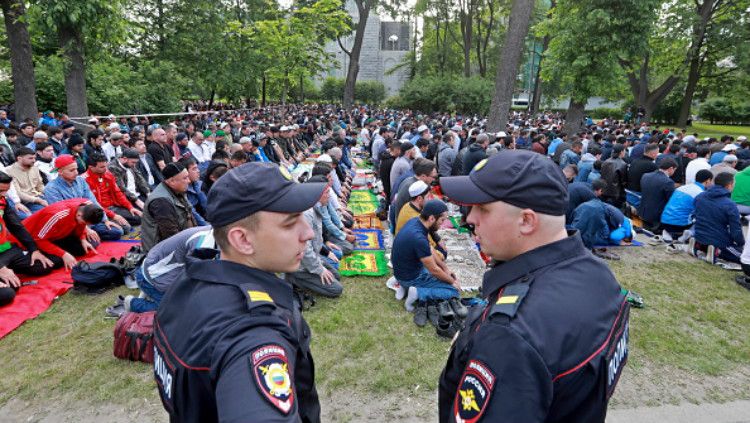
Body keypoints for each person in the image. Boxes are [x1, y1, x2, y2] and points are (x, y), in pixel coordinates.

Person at [439, 150, 628, 423]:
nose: (470, 218)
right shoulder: (598, 275)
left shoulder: (511, 334)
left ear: (526, 221)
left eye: (483, 208)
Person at [154, 162, 325, 422]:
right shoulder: (255, 332)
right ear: (243, 240)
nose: (308, 233)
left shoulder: (189, 282)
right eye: (290, 224)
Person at [391, 199, 463, 317]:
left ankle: (404, 287)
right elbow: (434, 270)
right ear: (431, 218)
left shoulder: (416, 222)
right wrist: (453, 282)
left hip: (403, 272)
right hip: (410, 278)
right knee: (453, 291)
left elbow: (429, 249)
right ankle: (417, 293)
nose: (443, 223)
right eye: (442, 220)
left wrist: (445, 268)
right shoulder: (418, 238)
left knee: (443, 276)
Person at [0, 172, 60, 307]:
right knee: (8, 292)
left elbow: (16, 226)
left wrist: (33, 249)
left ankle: (10, 270)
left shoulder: (3, 201)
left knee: (45, 265)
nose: (4, 194)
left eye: (6, 191)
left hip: (6, 251)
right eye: (1, 191)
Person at [125, 226, 215, 313]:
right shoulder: (204, 243)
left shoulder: (213, 233)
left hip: (162, 269)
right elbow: (198, 278)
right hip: (153, 276)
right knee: (176, 312)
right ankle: (133, 303)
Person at [286, 175, 343, 298]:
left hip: (313, 256)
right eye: (327, 192)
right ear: (317, 195)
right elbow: (305, 248)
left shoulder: (317, 207)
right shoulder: (307, 213)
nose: (329, 195)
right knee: (336, 289)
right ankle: (294, 278)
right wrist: (319, 269)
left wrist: (324, 254)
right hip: (301, 265)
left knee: (336, 275)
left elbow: (316, 240)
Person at [22, 199, 104, 270]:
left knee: (90, 244)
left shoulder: (86, 206)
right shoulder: (56, 216)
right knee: (51, 264)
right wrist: (63, 254)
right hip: (29, 240)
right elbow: (38, 239)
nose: (84, 225)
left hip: (58, 236)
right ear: (79, 214)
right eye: (84, 222)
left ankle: (63, 252)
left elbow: (81, 225)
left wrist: (83, 238)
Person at [140, 163, 197, 253]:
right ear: (171, 182)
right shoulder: (161, 202)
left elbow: (190, 216)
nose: (189, 181)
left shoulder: (177, 190)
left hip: (181, 241)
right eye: (185, 178)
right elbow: (172, 238)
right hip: (161, 253)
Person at [693, 172, 744, 264]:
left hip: (700, 236)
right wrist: (741, 244)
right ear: (729, 185)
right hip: (719, 242)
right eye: (734, 185)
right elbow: (736, 231)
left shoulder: (700, 196)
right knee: (745, 258)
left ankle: (700, 247)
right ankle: (716, 251)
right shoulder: (730, 204)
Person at [83, 153, 142, 227]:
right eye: (102, 167)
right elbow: (93, 204)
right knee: (123, 229)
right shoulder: (84, 180)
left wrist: (130, 207)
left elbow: (118, 193)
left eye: (106, 166)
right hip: (99, 211)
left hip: (113, 206)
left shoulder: (108, 174)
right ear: (91, 167)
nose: (105, 169)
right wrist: (113, 215)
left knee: (139, 217)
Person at [661, 169, 713, 240]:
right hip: (681, 225)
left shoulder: (682, 188)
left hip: (664, 221)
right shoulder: (701, 193)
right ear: (708, 180)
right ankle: (688, 234)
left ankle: (669, 234)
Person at [637, 158, 677, 232]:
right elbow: (671, 201)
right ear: (671, 168)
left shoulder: (645, 176)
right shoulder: (668, 182)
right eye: (675, 170)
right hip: (657, 217)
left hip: (643, 212)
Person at [5, 147, 48, 213]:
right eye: (30, 158)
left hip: (39, 196)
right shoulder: (9, 171)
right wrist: (38, 200)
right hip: (24, 201)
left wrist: (46, 194)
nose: (34, 160)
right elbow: (18, 193)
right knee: (46, 212)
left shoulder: (34, 168)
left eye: (34, 158)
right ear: (19, 158)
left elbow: (40, 185)